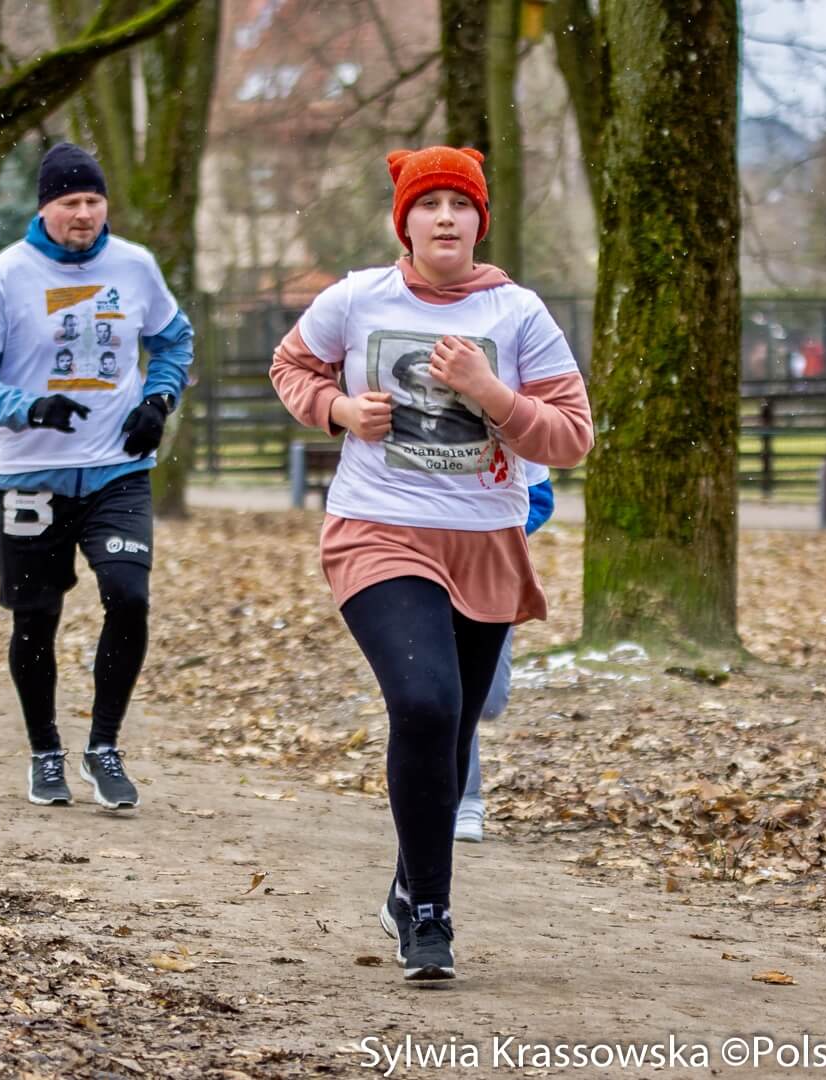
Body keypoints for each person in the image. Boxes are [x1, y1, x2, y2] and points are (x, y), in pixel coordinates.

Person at [269, 146, 592, 980]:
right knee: (424, 702)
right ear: (403, 222)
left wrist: (491, 392)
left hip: (484, 541)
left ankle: (408, 883)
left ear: (481, 220)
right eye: (428, 204)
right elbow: (290, 365)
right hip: (378, 531)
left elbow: (571, 435)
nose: (445, 217)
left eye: (460, 204)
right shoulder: (355, 298)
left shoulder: (518, 313)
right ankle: (431, 916)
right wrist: (338, 408)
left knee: (452, 729)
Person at [0, 141, 194, 811]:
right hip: (32, 474)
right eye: (69, 202)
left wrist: (158, 400)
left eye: (93, 201)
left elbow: (175, 340)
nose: (83, 214)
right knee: (35, 618)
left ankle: (104, 746)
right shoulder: (6, 275)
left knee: (129, 597)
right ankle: (44, 751)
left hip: (118, 470)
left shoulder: (135, 266)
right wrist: (29, 407)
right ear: (44, 209)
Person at [454, 465, 553, 844]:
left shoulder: (508, 432)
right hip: (426, 571)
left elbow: (541, 498)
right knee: (446, 694)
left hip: (492, 573)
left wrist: (495, 532)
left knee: (489, 703)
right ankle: (466, 800)